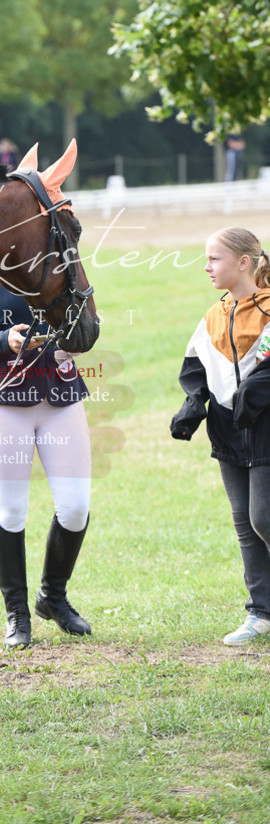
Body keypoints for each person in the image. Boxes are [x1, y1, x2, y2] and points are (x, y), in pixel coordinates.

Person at [0, 279, 93, 648]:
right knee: (10, 512)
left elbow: (89, 325)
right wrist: (3, 341)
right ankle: (17, 613)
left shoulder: (60, 266)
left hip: (62, 397)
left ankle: (52, 598)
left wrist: (77, 335)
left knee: (76, 508)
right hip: (5, 403)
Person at [171, 227, 270, 645]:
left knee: (264, 516)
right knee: (245, 525)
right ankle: (261, 613)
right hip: (228, 433)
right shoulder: (215, 314)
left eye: (214, 258)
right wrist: (193, 407)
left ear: (243, 263)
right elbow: (195, 366)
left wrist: (255, 390)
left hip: (265, 431)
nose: (207, 266)